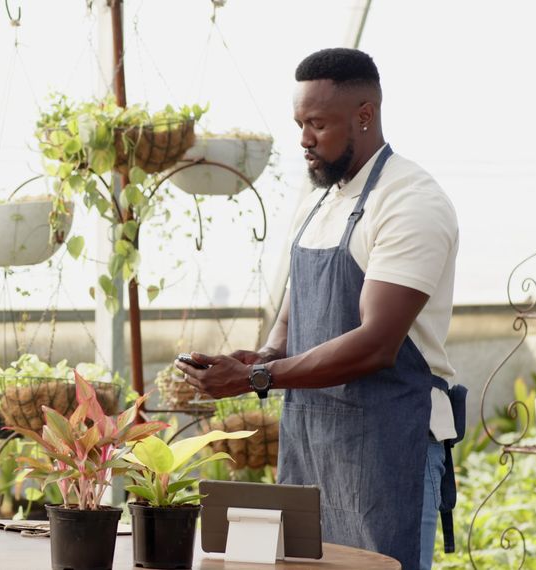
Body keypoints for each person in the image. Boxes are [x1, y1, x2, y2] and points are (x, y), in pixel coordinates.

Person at [176, 48, 461, 570]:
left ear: (365, 115)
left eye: (317, 124)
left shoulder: (409, 201)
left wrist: (258, 376)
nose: (304, 139)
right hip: (311, 448)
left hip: (388, 450)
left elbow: (377, 344)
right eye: (299, 123)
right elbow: (294, 312)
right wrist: (257, 355)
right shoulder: (320, 200)